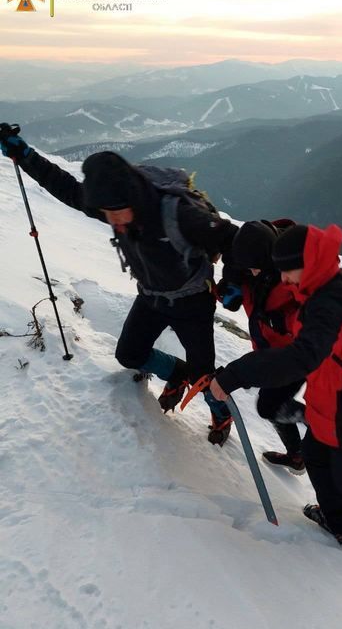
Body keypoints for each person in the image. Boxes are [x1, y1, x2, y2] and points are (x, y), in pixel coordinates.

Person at [0, 126, 236, 445]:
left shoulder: (178, 214)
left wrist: (234, 281)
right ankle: (177, 374)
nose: (113, 221)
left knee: (204, 373)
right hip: (151, 297)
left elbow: (233, 240)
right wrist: (25, 156)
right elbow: (66, 187)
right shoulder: (112, 203)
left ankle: (221, 415)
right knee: (129, 354)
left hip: (193, 301)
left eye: (116, 213)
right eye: (106, 214)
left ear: (133, 197)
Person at [210, 223, 342, 562]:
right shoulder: (323, 285)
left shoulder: (329, 303)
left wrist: (236, 374)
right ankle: (339, 525)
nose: (286, 280)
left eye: (289, 272)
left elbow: (302, 356)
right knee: (316, 456)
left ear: (309, 263)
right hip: (331, 403)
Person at [220, 219, 305, 474]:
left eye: (255, 268)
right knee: (271, 404)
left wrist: (284, 322)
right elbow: (244, 294)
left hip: (294, 355)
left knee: (269, 405)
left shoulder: (289, 272)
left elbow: (311, 314)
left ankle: (318, 424)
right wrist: (226, 288)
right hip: (268, 351)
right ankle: (298, 455)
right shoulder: (247, 266)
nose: (252, 272)